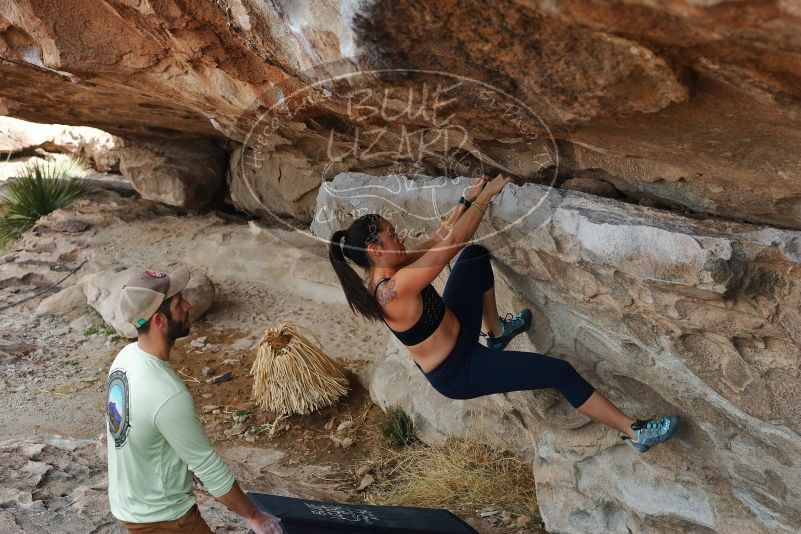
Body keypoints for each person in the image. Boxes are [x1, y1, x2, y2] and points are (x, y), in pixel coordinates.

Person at [328, 175, 679, 453]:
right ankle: (634, 432)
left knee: (475, 259)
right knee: (559, 372)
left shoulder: (388, 268)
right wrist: (486, 198)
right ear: (375, 249)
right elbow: (452, 243)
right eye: (392, 234)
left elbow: (438, 236)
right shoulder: (391, 291)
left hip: (461, 329)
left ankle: (495, 334)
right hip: (459, 370)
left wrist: (466, 199)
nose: (399, 236)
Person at [107, 266, 282, 533]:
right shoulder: (166, 392)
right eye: (178, 303)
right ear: (159, 321)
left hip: (132, 505)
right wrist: (255, 516)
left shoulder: (125, 358)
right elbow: (210, 469)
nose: (188, 305)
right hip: (164, 518)